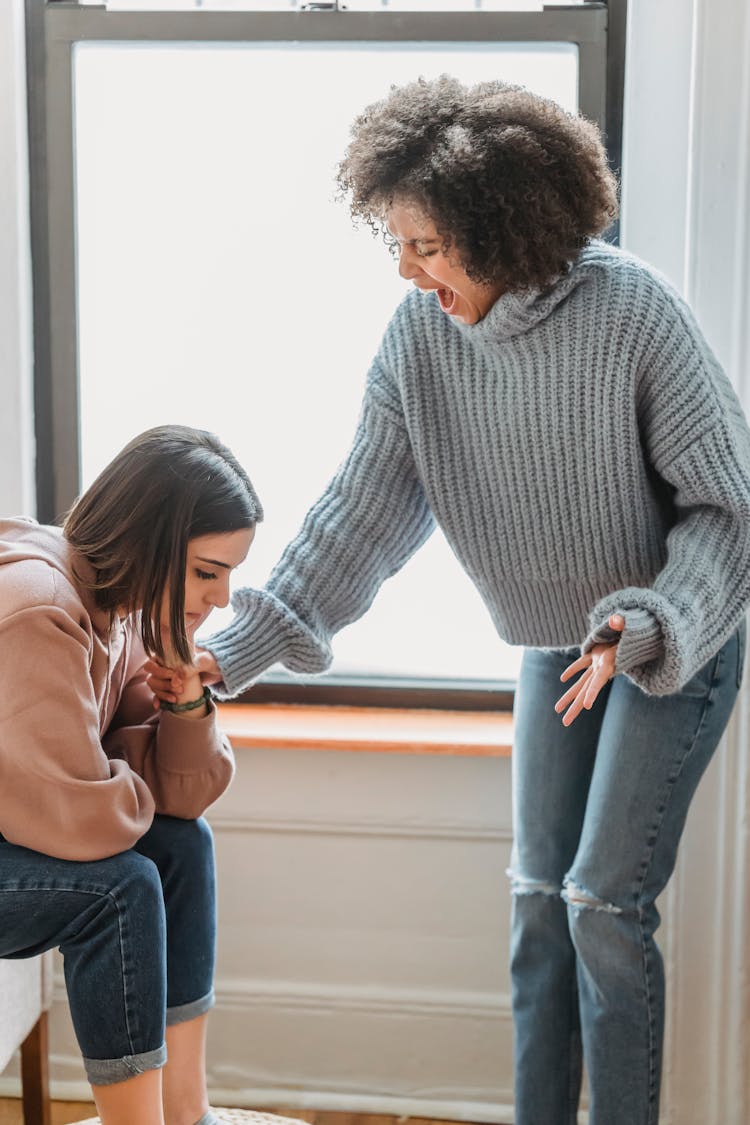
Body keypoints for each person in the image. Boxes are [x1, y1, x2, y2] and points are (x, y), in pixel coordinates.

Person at [151, 78, 750, 1124]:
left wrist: (646, 624)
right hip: (553, 648)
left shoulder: (634, 315)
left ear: (497, 223)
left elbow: (730, 509)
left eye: (426, 244)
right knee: (535, 907)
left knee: (602, 906)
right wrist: (232, 654)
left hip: (671, 639)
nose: (408, 268)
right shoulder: (419, 343)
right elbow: (362, 515)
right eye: (396, 243)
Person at [0, 424, 262, 1125]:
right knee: (118, 887)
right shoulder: (39, 609)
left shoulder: (116, 614)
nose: (224, 599)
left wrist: (186, 705)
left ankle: (187, 1112)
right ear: (149, 540)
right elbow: (79, 821)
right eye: (208, 571)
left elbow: (182, 796)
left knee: (182, 843)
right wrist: (124, 766)